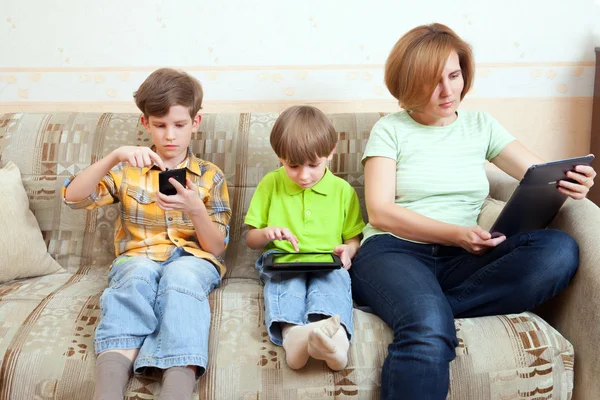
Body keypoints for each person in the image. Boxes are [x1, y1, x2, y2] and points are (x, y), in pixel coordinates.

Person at [349, 23, 597, 400]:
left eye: (454, 75)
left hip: (462, 259)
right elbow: (381, 212)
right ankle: (423, 312)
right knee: (427, 329)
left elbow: (540, 173)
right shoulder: (389, 129)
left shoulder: (482, 125)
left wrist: (573, 180)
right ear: (409, 82)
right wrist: (456, 233)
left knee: (558, 250)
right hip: (394, 251)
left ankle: (425, 306)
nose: (448, 91)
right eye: (433, 81)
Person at [62, 68, 231, 400]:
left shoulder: (210, 176)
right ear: (145, 123)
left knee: (181, 277)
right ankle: (108, 389)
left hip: (193, 260)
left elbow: (217, 248)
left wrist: (196, 209)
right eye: (160, 125)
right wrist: (114, 156)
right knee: (135, 275)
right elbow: (74, 198)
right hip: (138, 258)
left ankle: (177, 390)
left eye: (180, 125)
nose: (170, 135)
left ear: (196, 123)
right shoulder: (127, 170)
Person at [244, 105, 365, 371]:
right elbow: (251, 239)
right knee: (288, 287)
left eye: (314, 165)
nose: (304, 175)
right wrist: (267, 233)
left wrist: (348, 250)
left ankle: (337, 343)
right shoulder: (270, 184)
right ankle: (293, 337)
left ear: (331, 152)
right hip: (283, 261)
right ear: (280, 157)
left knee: (333, 285)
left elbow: (354, 240)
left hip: (327, 261)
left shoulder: (343, 191)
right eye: (293, 166)